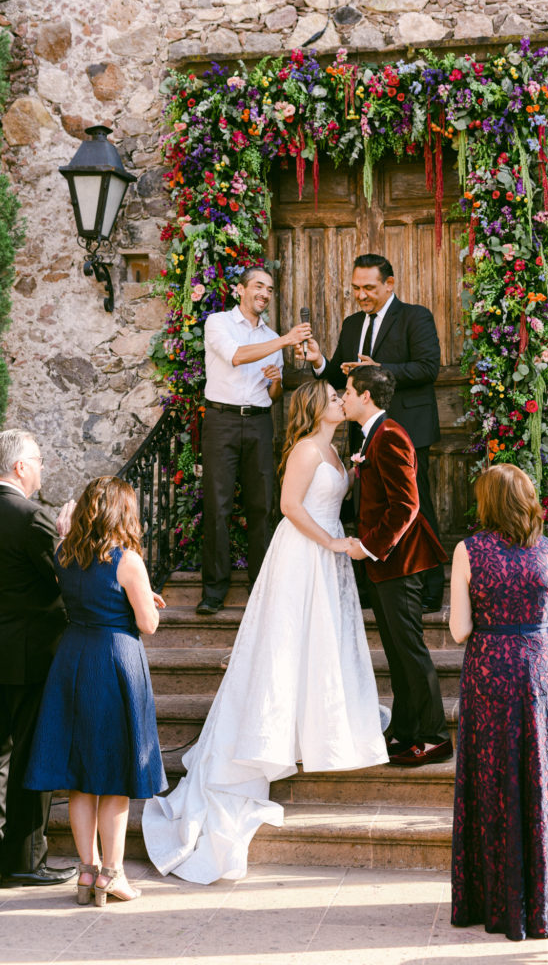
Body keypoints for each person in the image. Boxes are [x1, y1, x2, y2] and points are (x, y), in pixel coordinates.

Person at [142, 380, 388, 883]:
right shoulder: (303, 449)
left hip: (326, 553)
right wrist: (333, 544)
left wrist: (339, 545)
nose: (343, 398)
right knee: (285, 644)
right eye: (334, 396)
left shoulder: (337, 450)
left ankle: (314, 725)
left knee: (321, 644)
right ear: (315, 407)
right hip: (303, 551)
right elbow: (290, 508)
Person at [449, 463, 548, 941]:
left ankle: (495, 899)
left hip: (490, 673)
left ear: (486, 503)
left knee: (493, 782)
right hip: (541, 676)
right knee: (543, 781)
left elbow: (459, 630)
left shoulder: (468, 551)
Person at [24, 476, 166, 906]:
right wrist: (147, 601)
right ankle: (113, 874)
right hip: (115, 662)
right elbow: (147, 624)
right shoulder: (129, 560)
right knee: (115, 775)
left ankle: (86, 872)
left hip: (74, 658)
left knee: (82, 776)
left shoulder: (65, 553)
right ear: (123, 512)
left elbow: (89, 595)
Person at [298, 253, 444, 611]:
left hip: (406, 431)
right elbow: (338, 378)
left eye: (369, 287)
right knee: (370, 508)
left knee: (416, 506)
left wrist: (381, 369)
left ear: (389, 284)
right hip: (364, 434)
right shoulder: (351, 325)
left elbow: (428, 367)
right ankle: (371, 585)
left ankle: (429, 588)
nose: (361, 295)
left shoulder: (415, 316)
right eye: (355, 288)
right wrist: (319, 361)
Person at [343, 365, 451, 767]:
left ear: (366, 396)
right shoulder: (372, 435)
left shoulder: (389, 436)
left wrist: (369, 548)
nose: (344, 397)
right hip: (385, 567)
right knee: (397, 653)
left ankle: (435, 737)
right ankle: (404, 731)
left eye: (349, 391)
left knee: (411, 652)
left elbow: (407, 505)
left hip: (400, 563)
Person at [197, 266, 312, 614]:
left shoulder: (272, 336)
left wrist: (276, 380)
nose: (265, 293)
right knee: (217, 506)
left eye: (270, 289)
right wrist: (286, 340)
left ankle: (260, 586)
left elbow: (273, 395)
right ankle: (214, 592)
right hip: (222, 422)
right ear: (240, 289)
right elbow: (235, 356)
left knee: (262, 506)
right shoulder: (218, 323)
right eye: (259, 286)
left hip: (259, 423)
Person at [0, 429, 76, 887]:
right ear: (20, 467)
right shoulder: (31, 517)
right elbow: (62, 581)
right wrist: (64, 540)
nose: (42, 468)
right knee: (31, 754)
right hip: (29, 657)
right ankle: (25, 860)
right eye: (39, 460)